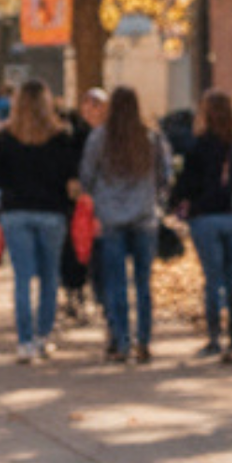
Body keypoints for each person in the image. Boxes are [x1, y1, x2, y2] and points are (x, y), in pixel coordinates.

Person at [80, 87, 172, 366]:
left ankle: (121, 341)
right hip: (145, 217)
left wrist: (97, 197)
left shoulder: (100, 138)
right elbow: (165, 175)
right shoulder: (151, 137)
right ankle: (144, 340)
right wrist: (156, 199)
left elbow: (87, 175)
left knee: (115, 283)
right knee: (143, 283)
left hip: (110, 219)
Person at [0, 78, 77, 363]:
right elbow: (70, 178)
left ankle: (24, 341)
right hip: (51, 211)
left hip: (16, 212)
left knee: (22, 278)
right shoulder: (62, 137)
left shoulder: (4, 138)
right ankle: (44, 336)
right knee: (50, 276)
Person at [170, 89, 232, 362]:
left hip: (205, 217)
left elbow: (186, 183)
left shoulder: (198, 145)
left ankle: (214, 338)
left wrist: (178, 203)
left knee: (212, 279)